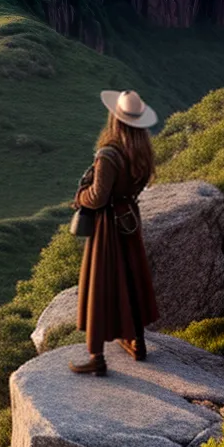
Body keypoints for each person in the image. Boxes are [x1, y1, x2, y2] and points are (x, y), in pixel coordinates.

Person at [69, 90, 160, 376]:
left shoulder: (109, 155)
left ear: (115, 119)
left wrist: (80, 196)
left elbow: (97, 197)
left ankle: (97, 357)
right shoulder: (142, 152)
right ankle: (136, 341)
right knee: (131, 280)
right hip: (130, 221)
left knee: (101, 286)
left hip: (107, 227)